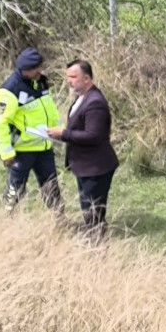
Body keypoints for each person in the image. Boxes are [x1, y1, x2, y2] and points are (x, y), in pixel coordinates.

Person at [47, 59, 119, 242]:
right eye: (68, 77)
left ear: (87, 79)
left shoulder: (95, 102)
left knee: (93, 209)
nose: (69, 81)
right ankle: (94, 237)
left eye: (73, 77)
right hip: (86, 165)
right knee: (89, 207)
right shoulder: (82, 97)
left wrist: (64, 134)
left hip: (96, 167)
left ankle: (97, 244)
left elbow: (93, 135)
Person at [0, 47, 64, 215]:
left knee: (52, 189)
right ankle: (8, 222)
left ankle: (59, 223)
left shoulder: (41, 82)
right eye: (35, 69)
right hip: (21, 152)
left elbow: (50, 111)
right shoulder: (10, 90)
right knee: (15, 191)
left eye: (39, 67)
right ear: (25, 70)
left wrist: (61, 131)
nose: (39, 71)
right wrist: (6, 152)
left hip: (44, 149)